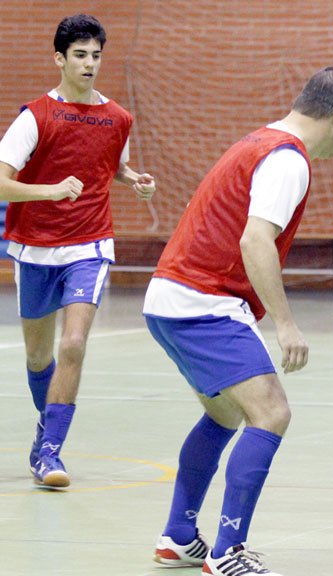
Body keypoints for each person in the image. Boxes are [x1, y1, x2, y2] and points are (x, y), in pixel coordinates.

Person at [145, 67, 333, 576]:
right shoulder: (288, 159)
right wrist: (285, 324)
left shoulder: (259, 140)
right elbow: (255, 240)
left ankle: (179, 536)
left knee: (225, 414)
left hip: (169, 297)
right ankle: (227, 551)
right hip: (203, 301)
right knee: (271, 413)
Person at [0, 14, 156, 488]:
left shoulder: (118, 118)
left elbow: (112, 167)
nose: (90, 64)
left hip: (89, 243)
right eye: (80, 55)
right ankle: (45, 430)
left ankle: (50, 453)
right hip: (35, 247)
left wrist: (135, 180)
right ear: (60, 59)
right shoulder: (35, 116)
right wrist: (49, 191)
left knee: (73, 344)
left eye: (96, 56)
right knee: (37, 358)